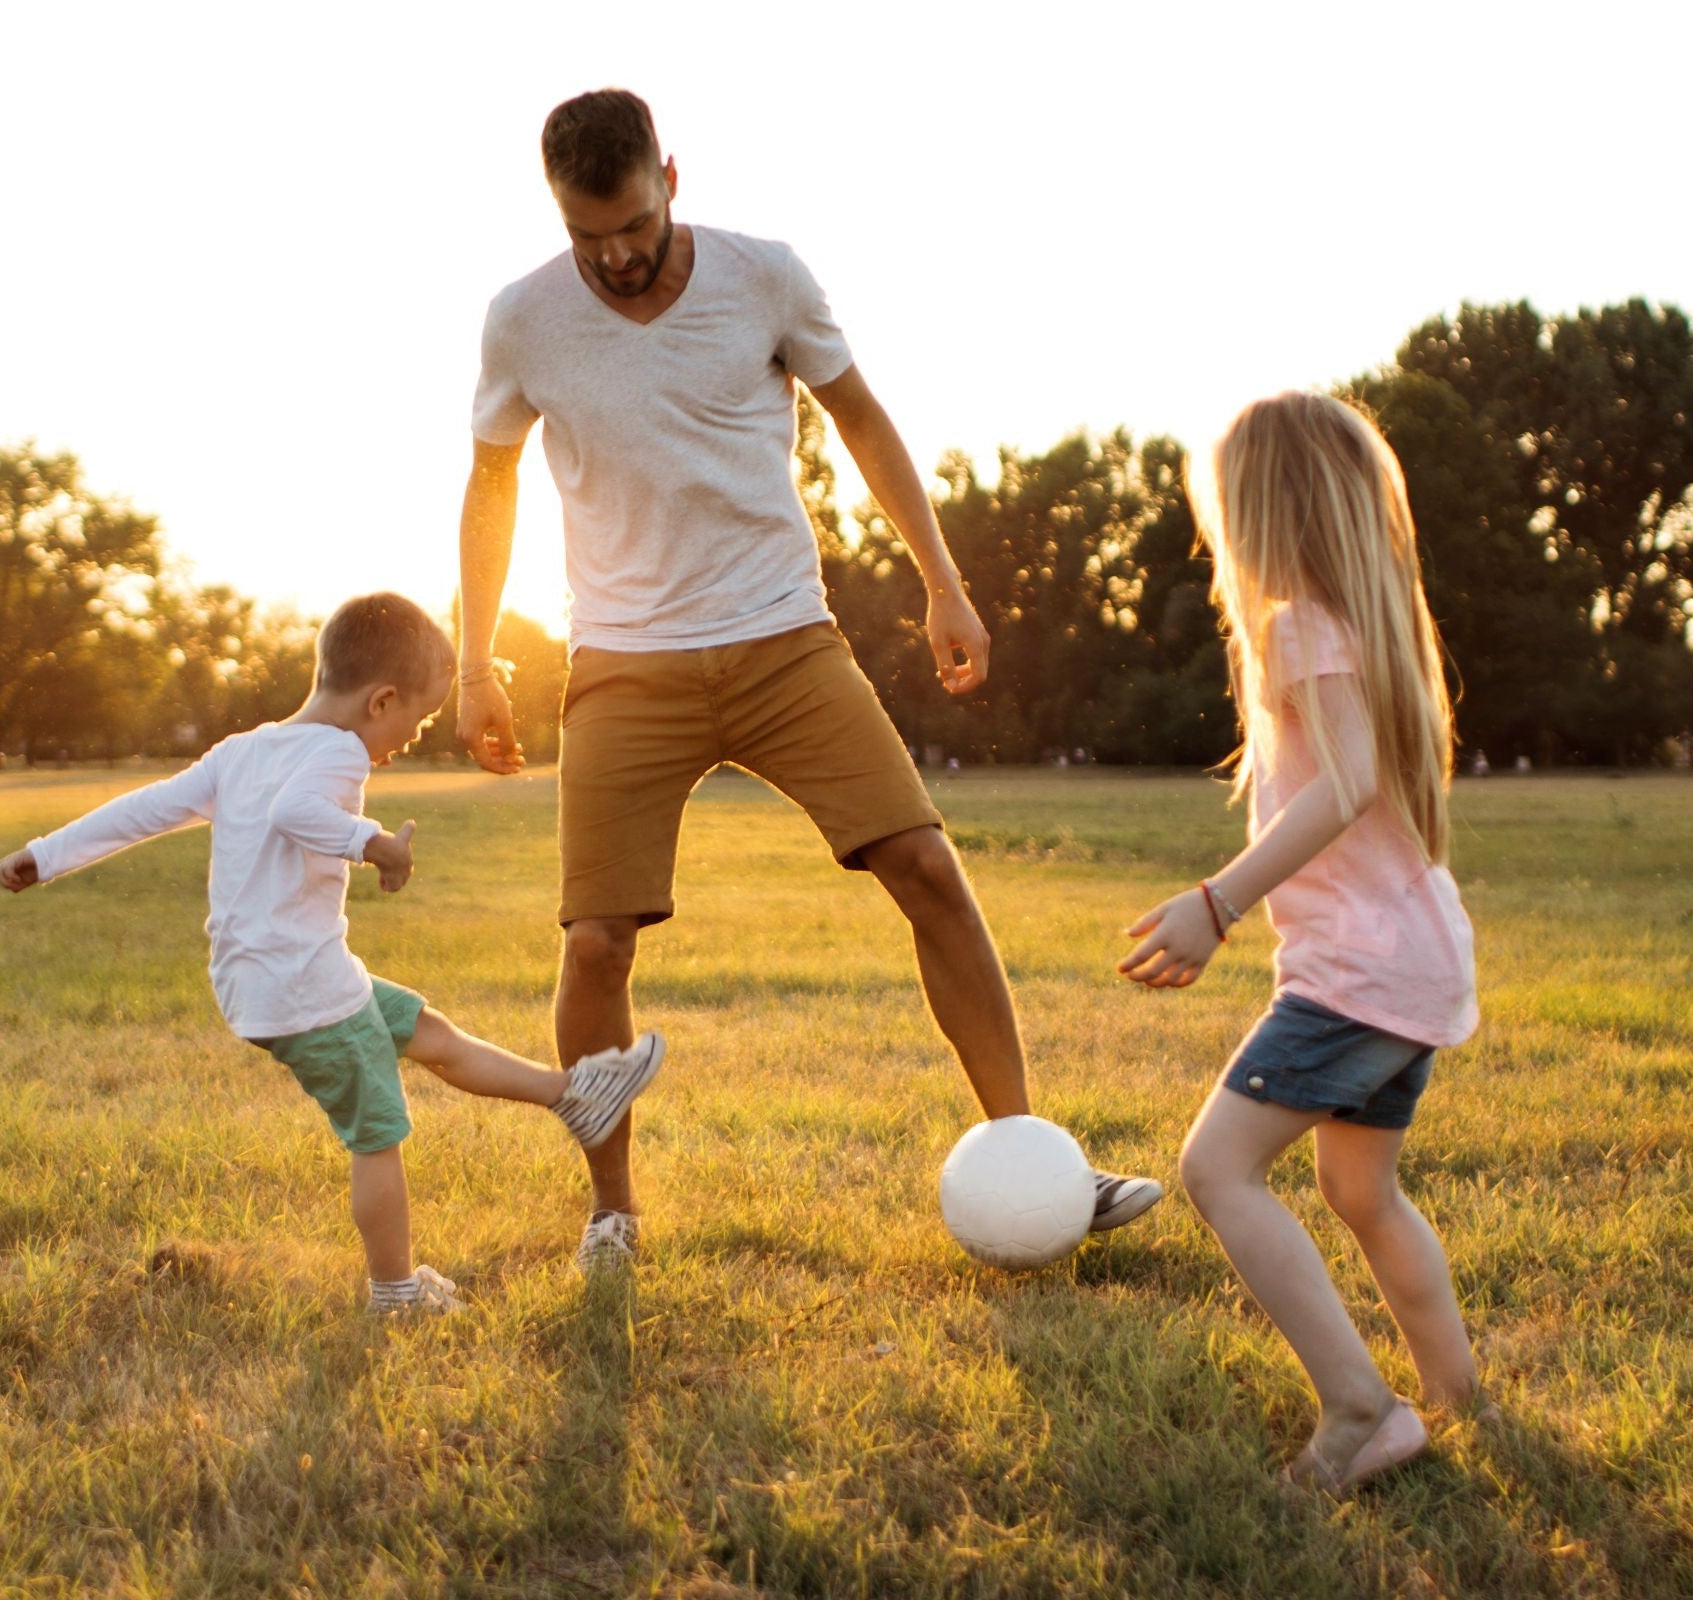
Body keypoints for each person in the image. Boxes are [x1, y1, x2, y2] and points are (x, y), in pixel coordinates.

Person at [454, 87, 1162, 1272]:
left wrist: (941, 579)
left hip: (784, 636)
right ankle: (611, 1208)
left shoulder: (764, 276)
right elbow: (489, 483)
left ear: (669, 176)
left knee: (927, 868)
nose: (617, 257)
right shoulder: (522, 319)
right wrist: (472, 658)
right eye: (590, 239)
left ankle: (1034, 1155)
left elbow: (862, 421)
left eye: (631, 224)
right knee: (593, 945)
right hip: (624, 663)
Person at [0, 593, 667, 1315]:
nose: (413, 734)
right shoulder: (339, 751)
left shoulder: (241, 750)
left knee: (424, 1029)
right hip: (303, 988)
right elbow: (297, 814)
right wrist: (372, 843)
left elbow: (145, 810)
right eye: (419, 718)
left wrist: (43, 855)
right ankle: (396, 1292)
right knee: (377, 1131)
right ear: (382, 700)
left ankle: (574, 1097)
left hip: (270, 980)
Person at [1118, 392, 1483, 1493]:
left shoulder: (1297, 627)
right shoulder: (1364, 627)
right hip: (1412, 962)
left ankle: (1361, 1411)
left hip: (1358, 975)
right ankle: (1460, 1399)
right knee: (1360, 1192)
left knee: (1214, 1167)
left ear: (1259, 515)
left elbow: (1342, 788)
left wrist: (1215, 903)